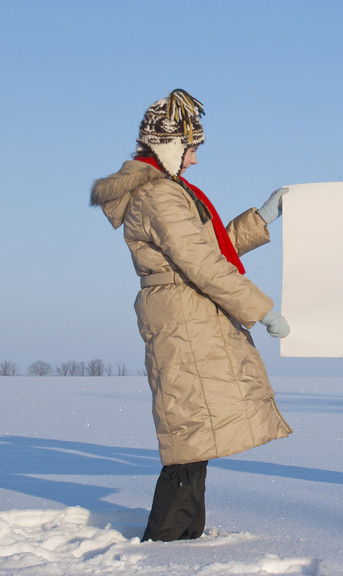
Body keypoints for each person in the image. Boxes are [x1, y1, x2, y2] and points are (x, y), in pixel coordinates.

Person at [90, 89, 293, 542]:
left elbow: (205, 248)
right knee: (188, 432)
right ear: (168, 147)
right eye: (191, 148)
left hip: (187, 313)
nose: (195, 160)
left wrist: (260, 219)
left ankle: (184, 538)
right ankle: (165, 542)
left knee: (195, 429)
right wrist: (262, 310)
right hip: (184, 318)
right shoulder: (159, 195)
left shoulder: (168, 190)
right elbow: (201, 264)